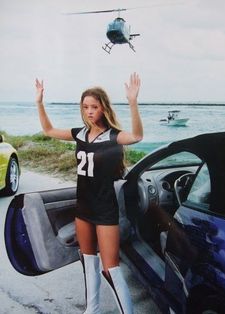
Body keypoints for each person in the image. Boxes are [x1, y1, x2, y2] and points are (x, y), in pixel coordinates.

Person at [35, 73, 143, 314]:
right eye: (85, 107)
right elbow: (48, 129)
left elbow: (136, 136)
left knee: (111, 269)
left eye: (94, 107)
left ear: (103, 108)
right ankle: (91, 309)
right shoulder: (79, 134)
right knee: (88, 261)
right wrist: (40, 102)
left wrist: (133, 103)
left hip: (105, 210)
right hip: (83, 209)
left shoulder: (114, 136)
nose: (89, 111)